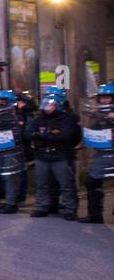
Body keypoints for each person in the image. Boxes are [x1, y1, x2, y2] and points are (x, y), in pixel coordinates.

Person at [26, 92, 81, 220]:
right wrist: (47, 137)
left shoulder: (67, 119)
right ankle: (42, 206)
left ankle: (69, 209)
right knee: (42, 183)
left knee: (66, 184)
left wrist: (42, 136)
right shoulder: (39, 119)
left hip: (61, 155)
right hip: (42, 155)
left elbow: (66, 136)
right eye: (46, 105)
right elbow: (28, 133)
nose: (47, 107)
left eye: (50, 105)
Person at [82, 82, 114, 223]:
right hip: (102, 153)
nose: (104, 101)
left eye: (107, 98)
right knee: (92, 181)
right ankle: (95, 215)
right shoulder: (98, 115)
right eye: (102, 98)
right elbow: (94, 129)